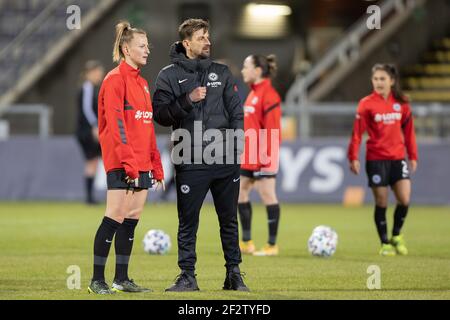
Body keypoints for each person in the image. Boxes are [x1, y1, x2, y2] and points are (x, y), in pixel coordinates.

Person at [153, 18, 248, 292]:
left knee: (229, 220)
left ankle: (234, 274)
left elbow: (236, 111)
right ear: (187, 43)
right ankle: (187, 277)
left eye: (208, 37)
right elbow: (159, 114)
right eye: (202, 37)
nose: (208, 42)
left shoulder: (222, 71)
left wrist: (236, 143)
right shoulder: (168, 75)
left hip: (224, 160)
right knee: (188, 222)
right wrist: (187, 99)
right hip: (190, 159)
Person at [88, 21, 164, 294]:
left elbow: (147, 125)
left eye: (148, 46)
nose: (147, 51)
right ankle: (97, 280)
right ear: (126, 48)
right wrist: (129, 163)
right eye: (142, 46)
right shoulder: (114, 80)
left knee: (131, 218)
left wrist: (155, 164)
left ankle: (121, 279)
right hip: (123, 162)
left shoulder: (142, 83)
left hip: (142, 161)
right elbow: (117, 125)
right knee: (114, 216)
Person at [348, 63, 418, 256]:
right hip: (376, 159)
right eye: (375, 79)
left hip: (397, 158)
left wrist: (412, 155)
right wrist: (353, 156)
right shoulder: (366, 104)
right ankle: (384, 242)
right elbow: (356, 134)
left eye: (382, 79)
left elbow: (409, 132)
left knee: (404, 199)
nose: (378, 82)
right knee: (382, 202)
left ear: (392, 81)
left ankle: (396, 235)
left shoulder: (402, 103)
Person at [238, 54, 282, 256]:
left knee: (267, 194)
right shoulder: (253, 93)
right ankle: (247, 242)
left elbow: (273, 130)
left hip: (264, 155)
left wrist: (266, 159)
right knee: (240, 192)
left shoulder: (269, 95)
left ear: (257, 71)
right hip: (250, 153)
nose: (242, 70)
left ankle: (272, 245)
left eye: (245, 66)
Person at [75, 60, 104, 205]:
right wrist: (95, 125)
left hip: (89, 129)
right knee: (92, 162)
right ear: (89, 73)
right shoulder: (87, 87)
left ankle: (90, 197)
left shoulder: (92, 88)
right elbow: (86, 109)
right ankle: (89, 198)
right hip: (87, 131)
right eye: (97, 72)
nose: (99, 75)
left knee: (93, 162)